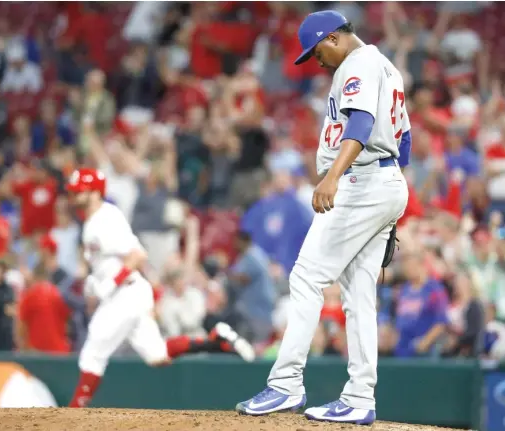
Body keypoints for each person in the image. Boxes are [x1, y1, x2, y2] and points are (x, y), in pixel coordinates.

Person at [236, 11, 410, 425]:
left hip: (360, 181)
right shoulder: (387, 66)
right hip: (383, 181)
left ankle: (286, 384)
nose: (316, 61)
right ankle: (359, 397)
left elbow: (363, 122)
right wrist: (391, 200)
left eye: (316, 52)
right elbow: (404, 139)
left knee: (306, 277)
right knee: (358, 297)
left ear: (333, 38)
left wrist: (333, 177)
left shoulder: (359, 63)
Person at [65, 168, 255, 408]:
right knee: (157, 356)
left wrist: (108, 284)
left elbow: (137, 256)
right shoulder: (94, 220)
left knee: (93, 352)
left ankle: (73, 413)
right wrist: (98, 285)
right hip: (125, 293)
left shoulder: (105, 218)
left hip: (125, 293)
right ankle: (216, 340)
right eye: (73, 192)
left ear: (95, 192)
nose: (74, 196)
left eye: (79, 191)